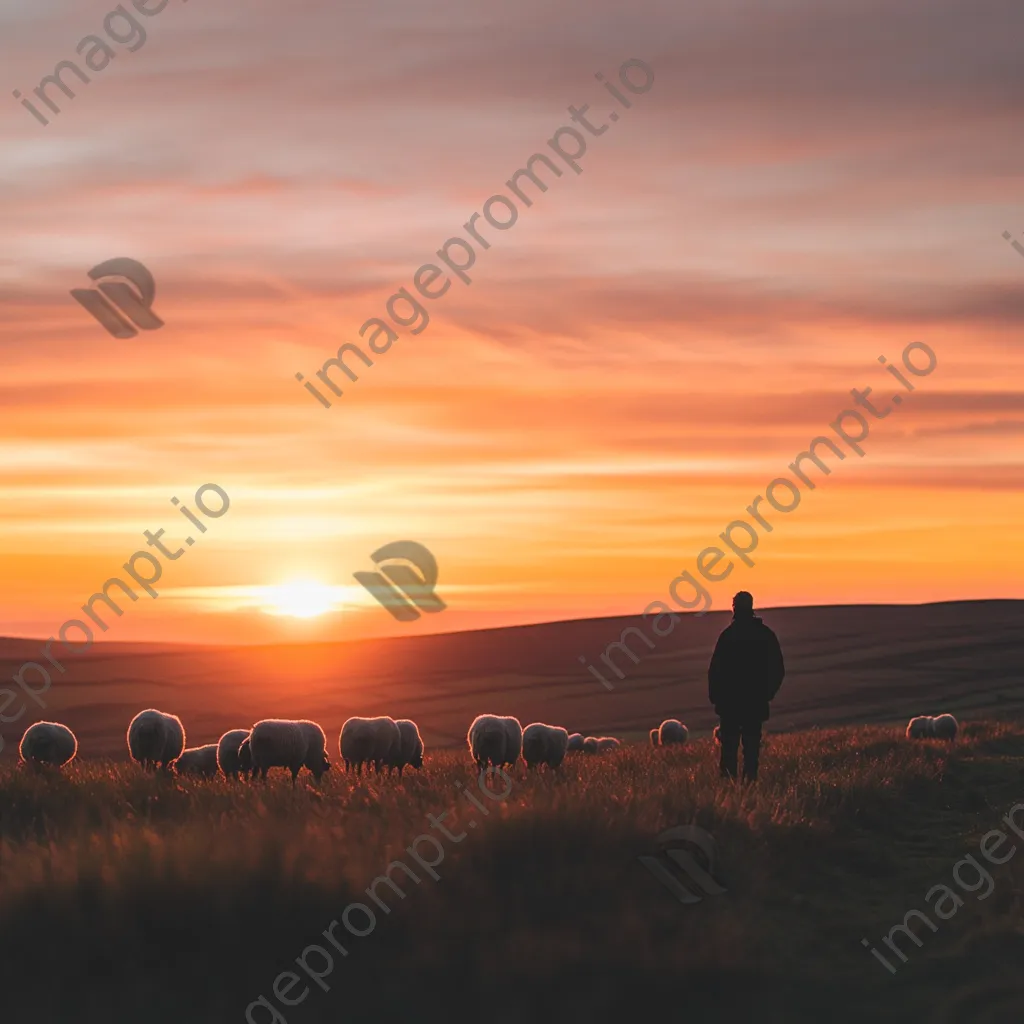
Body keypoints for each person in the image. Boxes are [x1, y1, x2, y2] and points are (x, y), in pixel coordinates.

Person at [707, 591, 784, 782]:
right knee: (751, 750)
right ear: (751, 606)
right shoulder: (765, 635)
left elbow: (714, 671)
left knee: (729, 750)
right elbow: (778, 669)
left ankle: (729, 789)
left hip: (730, 705)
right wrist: (766, 694)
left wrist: (717, 698)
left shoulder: (727, 636)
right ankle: (749, 784)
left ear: (734, 607)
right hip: (754, 703)